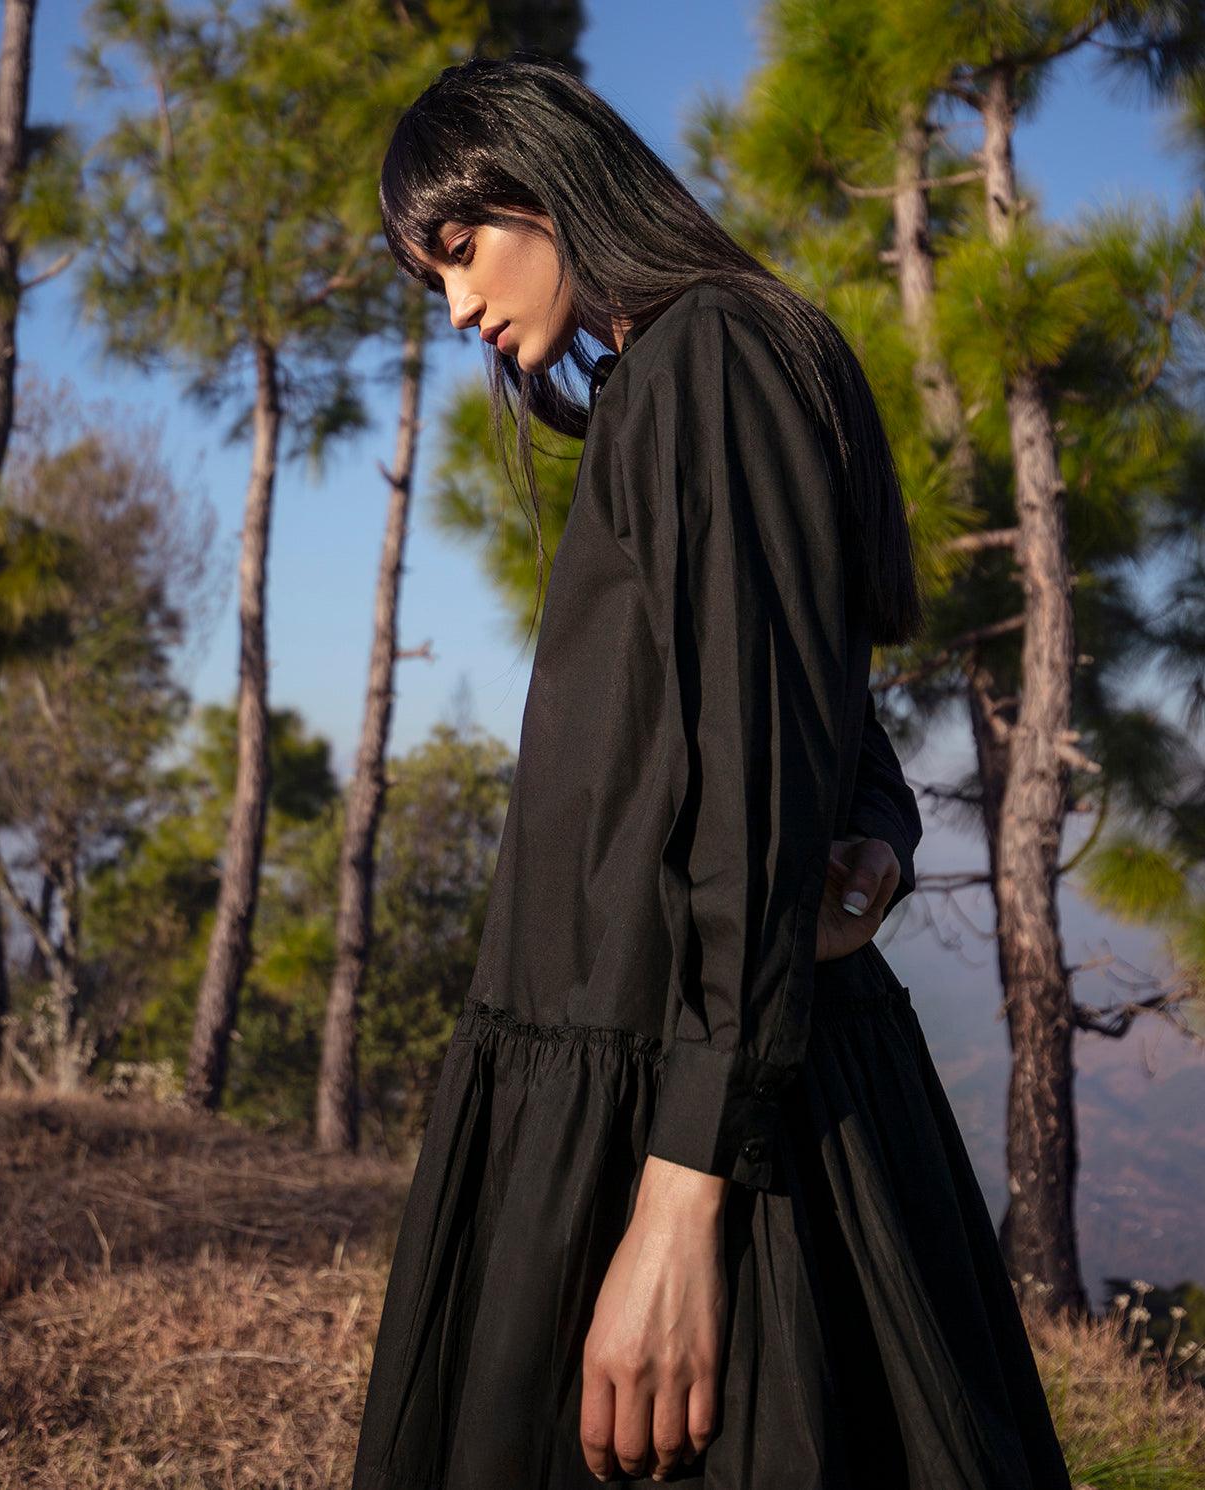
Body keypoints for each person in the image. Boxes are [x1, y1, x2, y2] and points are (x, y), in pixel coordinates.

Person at [350, 52, 1073, 1490]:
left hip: (686, 1102)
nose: (461, 307)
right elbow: (807, 700)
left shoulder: (709, 361)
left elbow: (751, 761)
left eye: (462, 247)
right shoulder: (674, 377)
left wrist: (681, 1206)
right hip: (651, 1062)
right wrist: (875, 831)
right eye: (432, 278)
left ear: (550, 182)